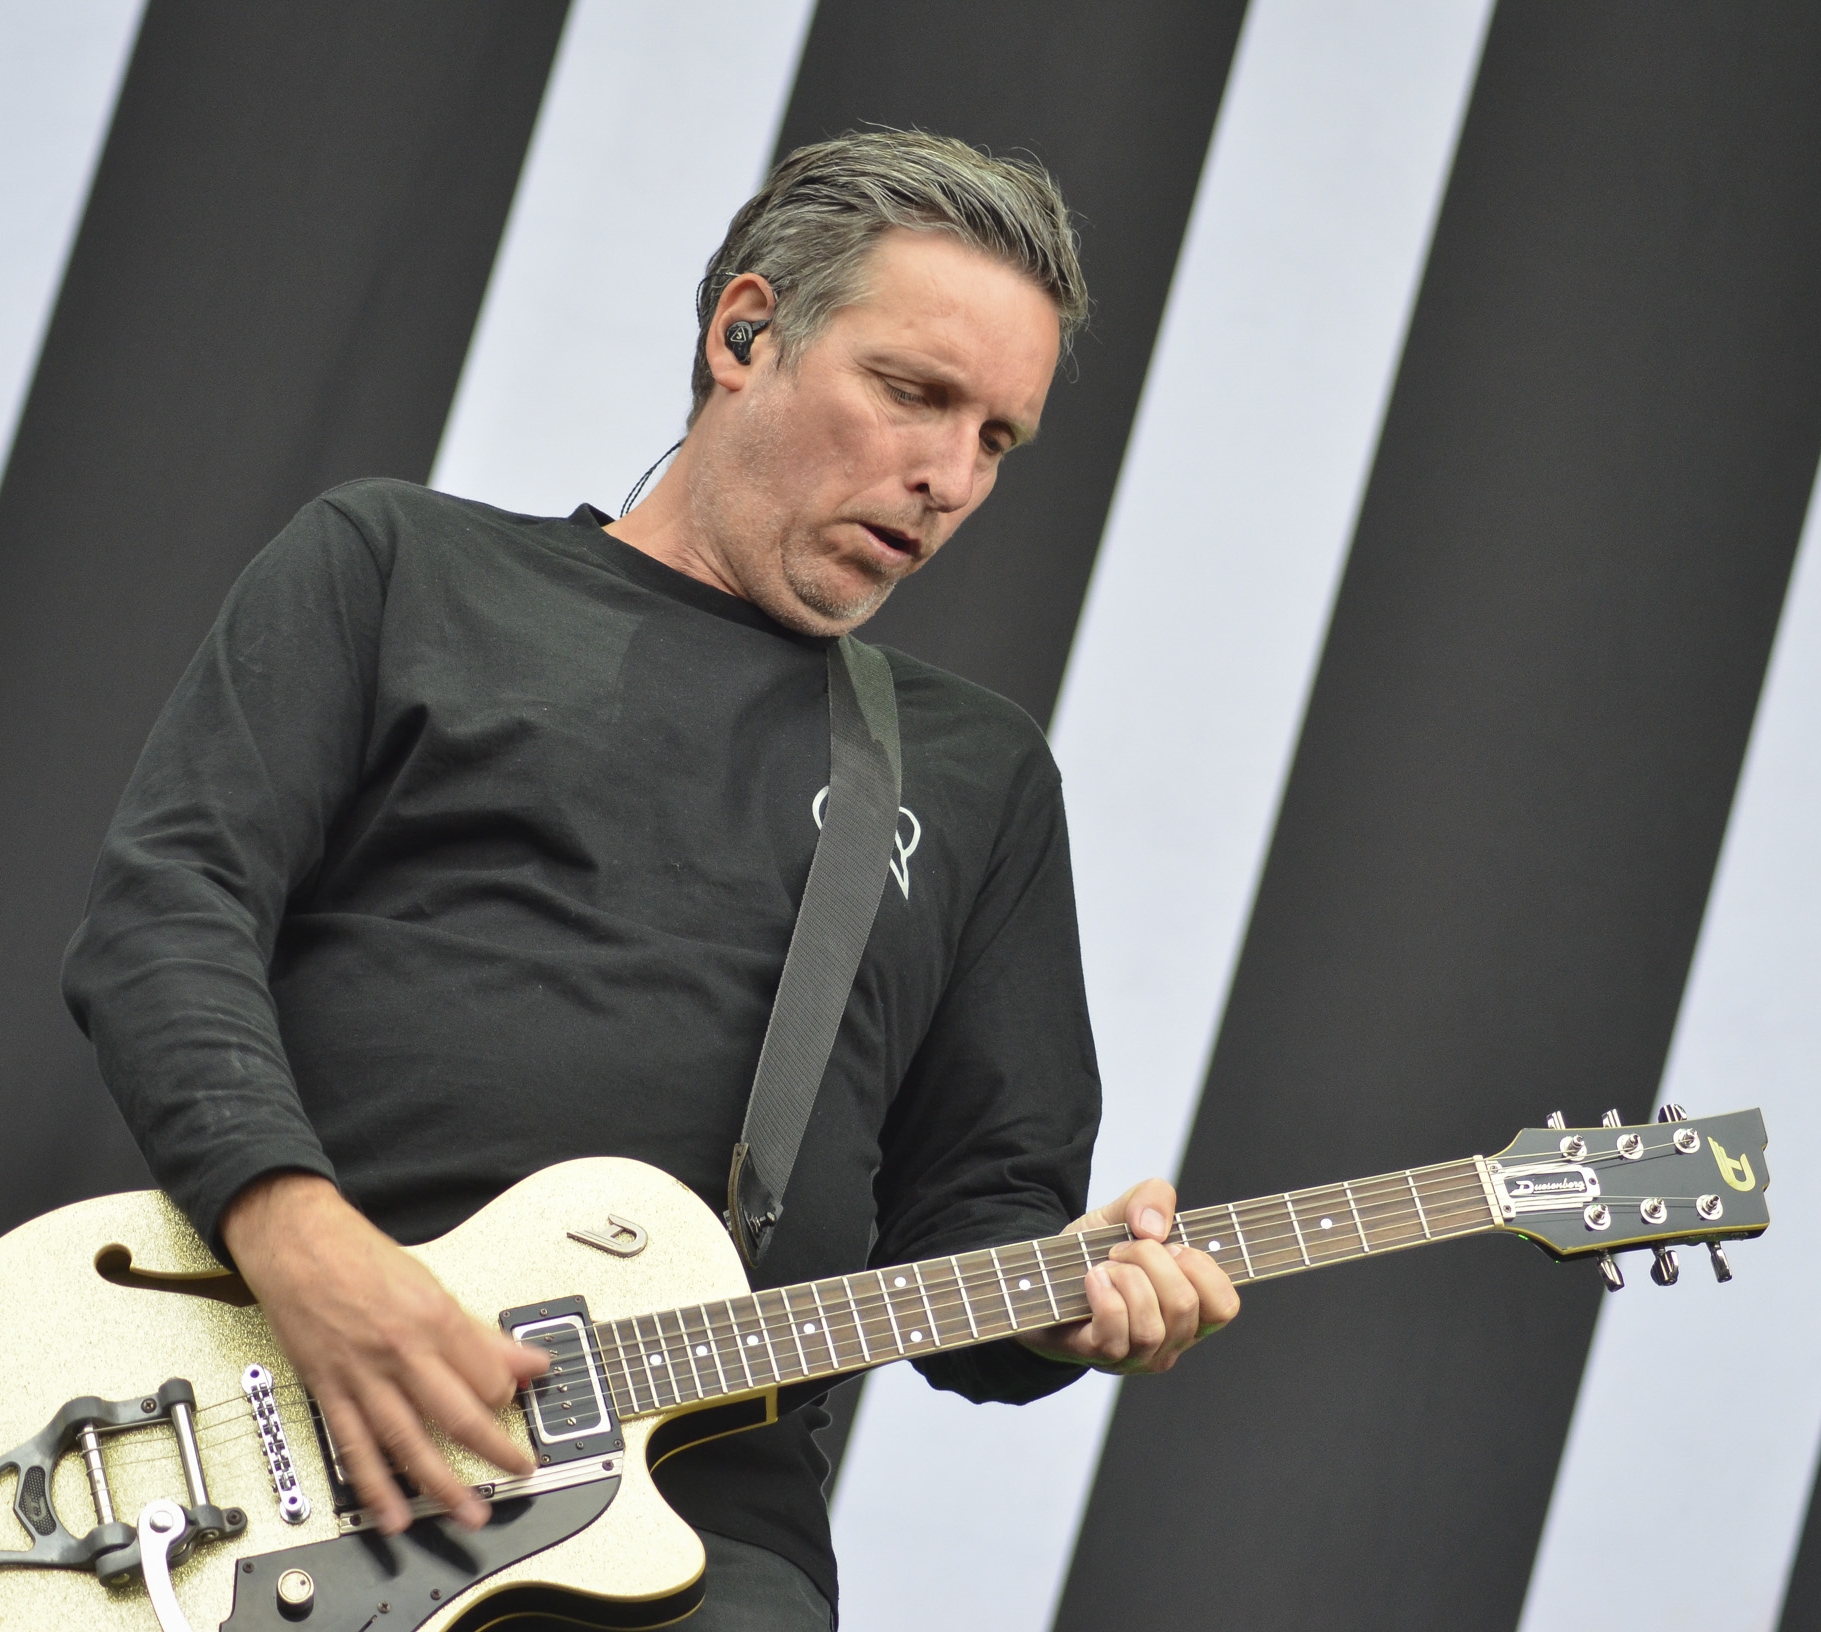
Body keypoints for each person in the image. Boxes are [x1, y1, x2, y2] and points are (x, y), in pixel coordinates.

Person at [62, 130, 1238, 1630]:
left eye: (997, 439)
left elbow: (978, 1218)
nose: (948, 477)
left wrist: (1068, 1302)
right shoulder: (398, 568)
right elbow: (169, 913)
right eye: (912, 393)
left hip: (696, 1540)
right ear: (745, 334)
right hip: (256, 1421)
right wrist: (307, 1247)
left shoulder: (975, 773)